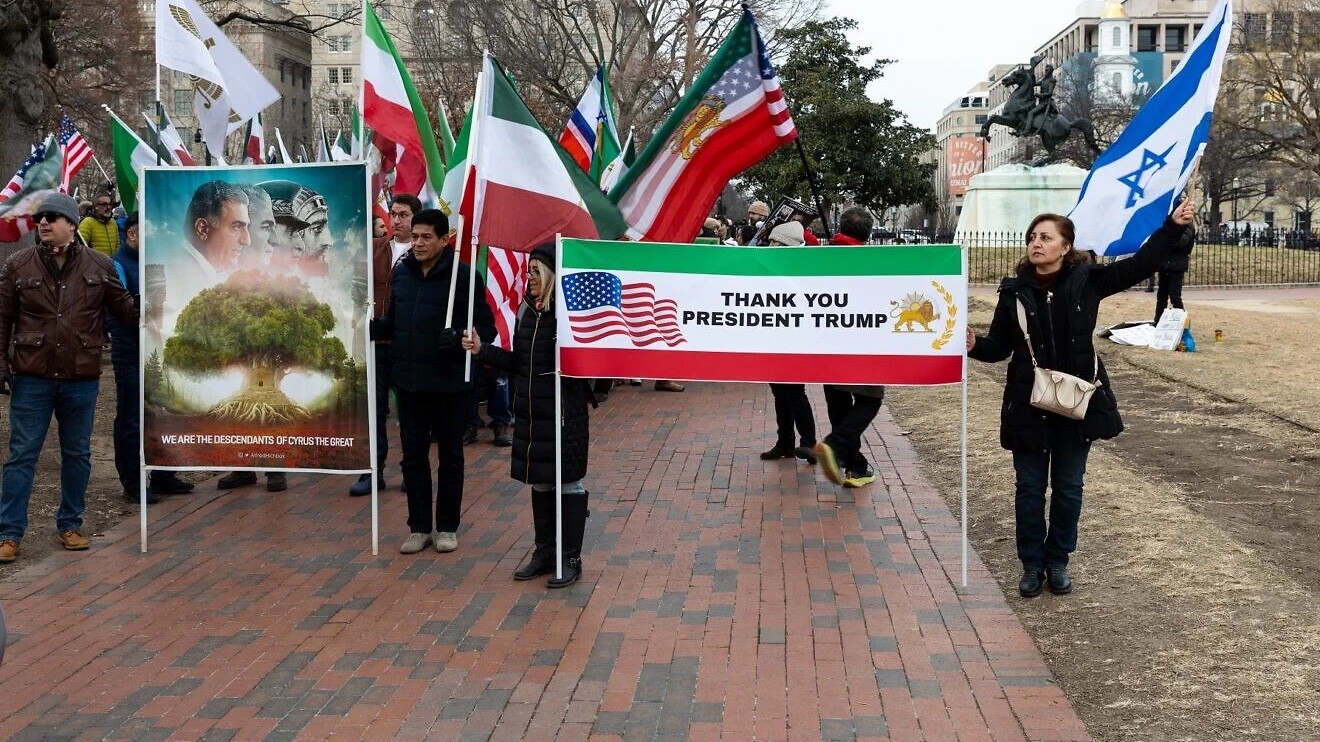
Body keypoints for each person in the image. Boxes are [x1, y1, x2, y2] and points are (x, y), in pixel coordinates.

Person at [966, 199, 1196, 598]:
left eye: (1046, 237)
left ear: (1065, 246)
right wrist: (973, 344)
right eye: (1032, 237)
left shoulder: (1088, 280)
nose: (1036, 244)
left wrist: (1172, 227)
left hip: (1076, 401)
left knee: (1069, 487)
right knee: (1029, 488)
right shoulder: (1014, 292)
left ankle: (1058, 562)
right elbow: (999, 347)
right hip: (1028, 403)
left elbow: (1142, 264)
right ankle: (1031, 564)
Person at [0, 193, 136, 563]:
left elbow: (126, 312)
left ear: (72, 226)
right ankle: (9, 533)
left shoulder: (100, 265)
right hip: (32, 377)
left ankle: (71, 524)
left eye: (52, 217)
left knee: (77, 454)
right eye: (41, 217)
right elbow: (3, 319)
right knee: (21, 456)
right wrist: (1, 365)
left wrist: (156, 295)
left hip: (81, 377)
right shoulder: (18, 265)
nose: (43, 222)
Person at [463, 242, 591, 587]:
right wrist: (482, 350)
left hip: (564, 413)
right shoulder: (528, 312)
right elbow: (520, 363)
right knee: (541, 480)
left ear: (551, 275)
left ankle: (570, 556)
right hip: (533, 411)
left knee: (569, 481)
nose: (529, 276)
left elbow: (591, 364)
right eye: (528, 270)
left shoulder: (568, 313)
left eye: (536, 271)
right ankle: (544, 551)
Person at [372, 209, 496, 554]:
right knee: (412, 458)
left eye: (427, 237)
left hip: (450, 383)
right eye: (415, 237)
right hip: (409, 384)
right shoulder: (403, 275)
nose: (419, 243)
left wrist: (460, 336)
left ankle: (446, 527)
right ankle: (419, 527)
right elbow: (393, 322)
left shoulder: (465, 278)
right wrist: (369, 328)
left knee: (450, 457)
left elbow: (487, 328)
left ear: (444, 240)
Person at [106, 212, 194, 504]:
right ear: (132, 234)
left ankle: (164, 474)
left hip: (158, 348)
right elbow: (117, 309)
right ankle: (132, 481)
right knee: (132, 418)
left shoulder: (155, 263)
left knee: (162, 413)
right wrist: (141, 307)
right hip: (130, 350)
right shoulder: (117, 264)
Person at [350, 193, 422, 497]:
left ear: (415, 218)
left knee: (409, 410)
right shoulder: (376, 249)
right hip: (376, 341)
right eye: (393, 214)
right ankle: (373, 471)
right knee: (374, 411)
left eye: (403, 214)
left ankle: (411, 470)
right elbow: (357, 287)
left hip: (407, 343)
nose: (396, 220)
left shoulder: (421, 253)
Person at [813, 208, 885, 489]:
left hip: (829, 348)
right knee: (870, 400)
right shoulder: (875, 262)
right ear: (867, 233)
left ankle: (857, 466)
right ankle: (835, 445)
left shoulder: (822, 256)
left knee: (839, 404)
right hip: (864, 346)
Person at [1154, 226, 1195, 323]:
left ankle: (1181, 324)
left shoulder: (1187, 227)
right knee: (1162, 296)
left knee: (1175, 297)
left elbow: (1180, 243)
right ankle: (1158, 321)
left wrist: (1166, 237)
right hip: (1166, 264)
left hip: (1176, 266)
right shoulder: (1172, 225)